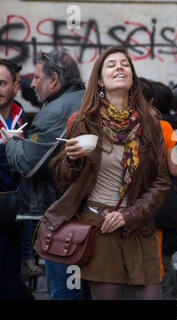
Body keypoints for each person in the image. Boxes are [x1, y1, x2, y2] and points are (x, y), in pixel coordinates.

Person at [43, 46, 171, 300]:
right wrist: (71, 159)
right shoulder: (83, 122)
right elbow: (62, 180)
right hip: (98, 228)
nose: (120, 68)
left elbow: (161, 182)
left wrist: (129, 215)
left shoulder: (150, 124)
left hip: (137, 225)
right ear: (100, 79)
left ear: (132, 77)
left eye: (125, 64)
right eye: (111, 64)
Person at [1, 50, 89, 300]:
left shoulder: (55, 112)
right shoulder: (78, 99)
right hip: (78, 215)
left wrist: (13, 143)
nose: (32, 83)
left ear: (54, 80)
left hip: (62, 217)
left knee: (65, 293)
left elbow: (27, 164)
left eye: (37, 77)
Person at [140, 77, 177, 300]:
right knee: (158, 272)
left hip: (120, 211)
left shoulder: (111, 126)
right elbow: (176, 170)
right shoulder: (165, 127)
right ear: (151, 101)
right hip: (156, 209)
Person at [0, 59, 28, 300]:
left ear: (15, 86)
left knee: (11, 274)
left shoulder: (21, 114)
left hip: (16, 212)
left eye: (2, 83)